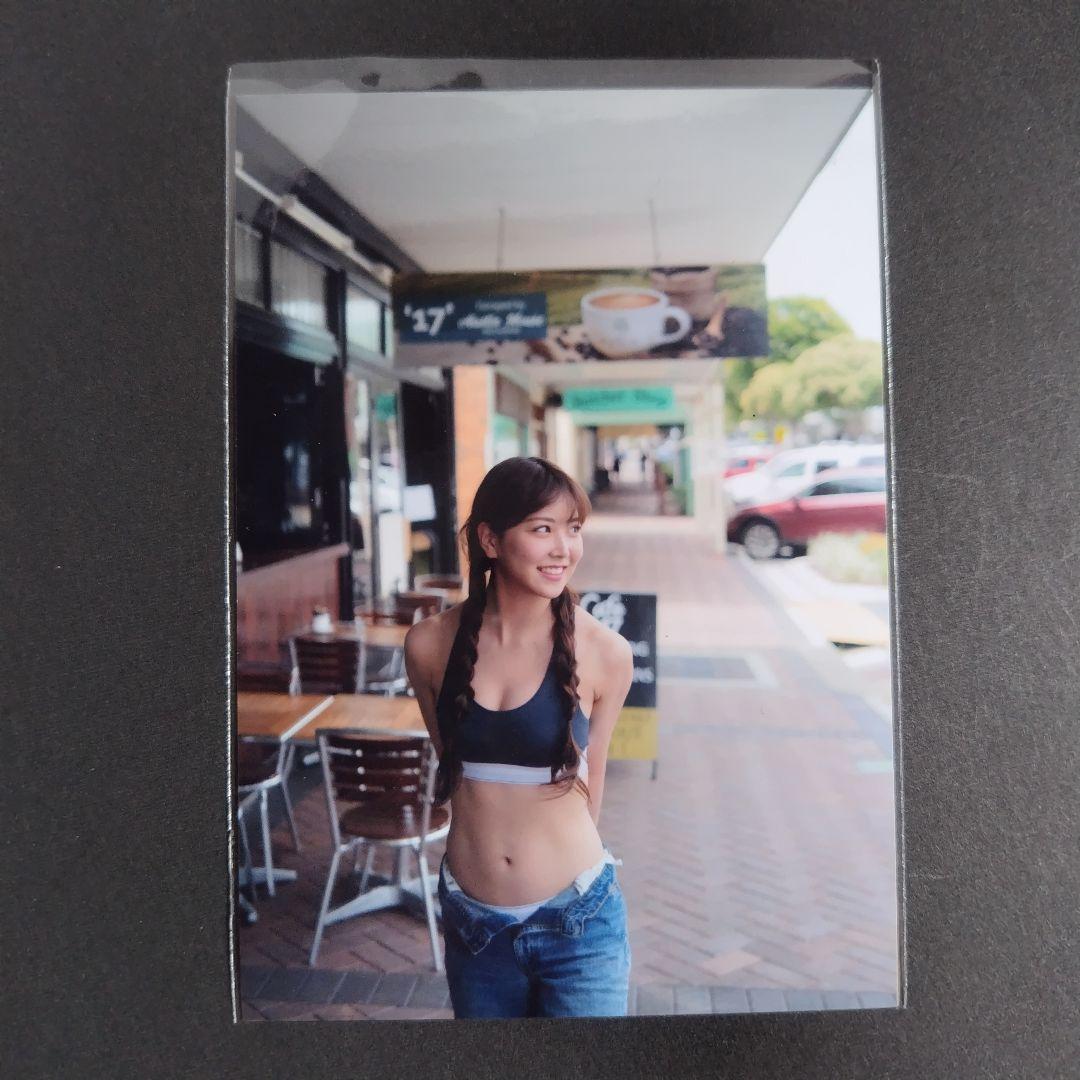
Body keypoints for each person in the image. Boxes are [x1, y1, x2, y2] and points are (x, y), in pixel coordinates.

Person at [404, 456, 634, 1018]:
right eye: (542, 529)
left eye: (572, 529)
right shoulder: (429, 645)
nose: (563, 549)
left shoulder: (605, 652)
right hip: (475, 929)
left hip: (578, 925)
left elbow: (593, 784)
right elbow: (456, 773)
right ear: (490, 539)